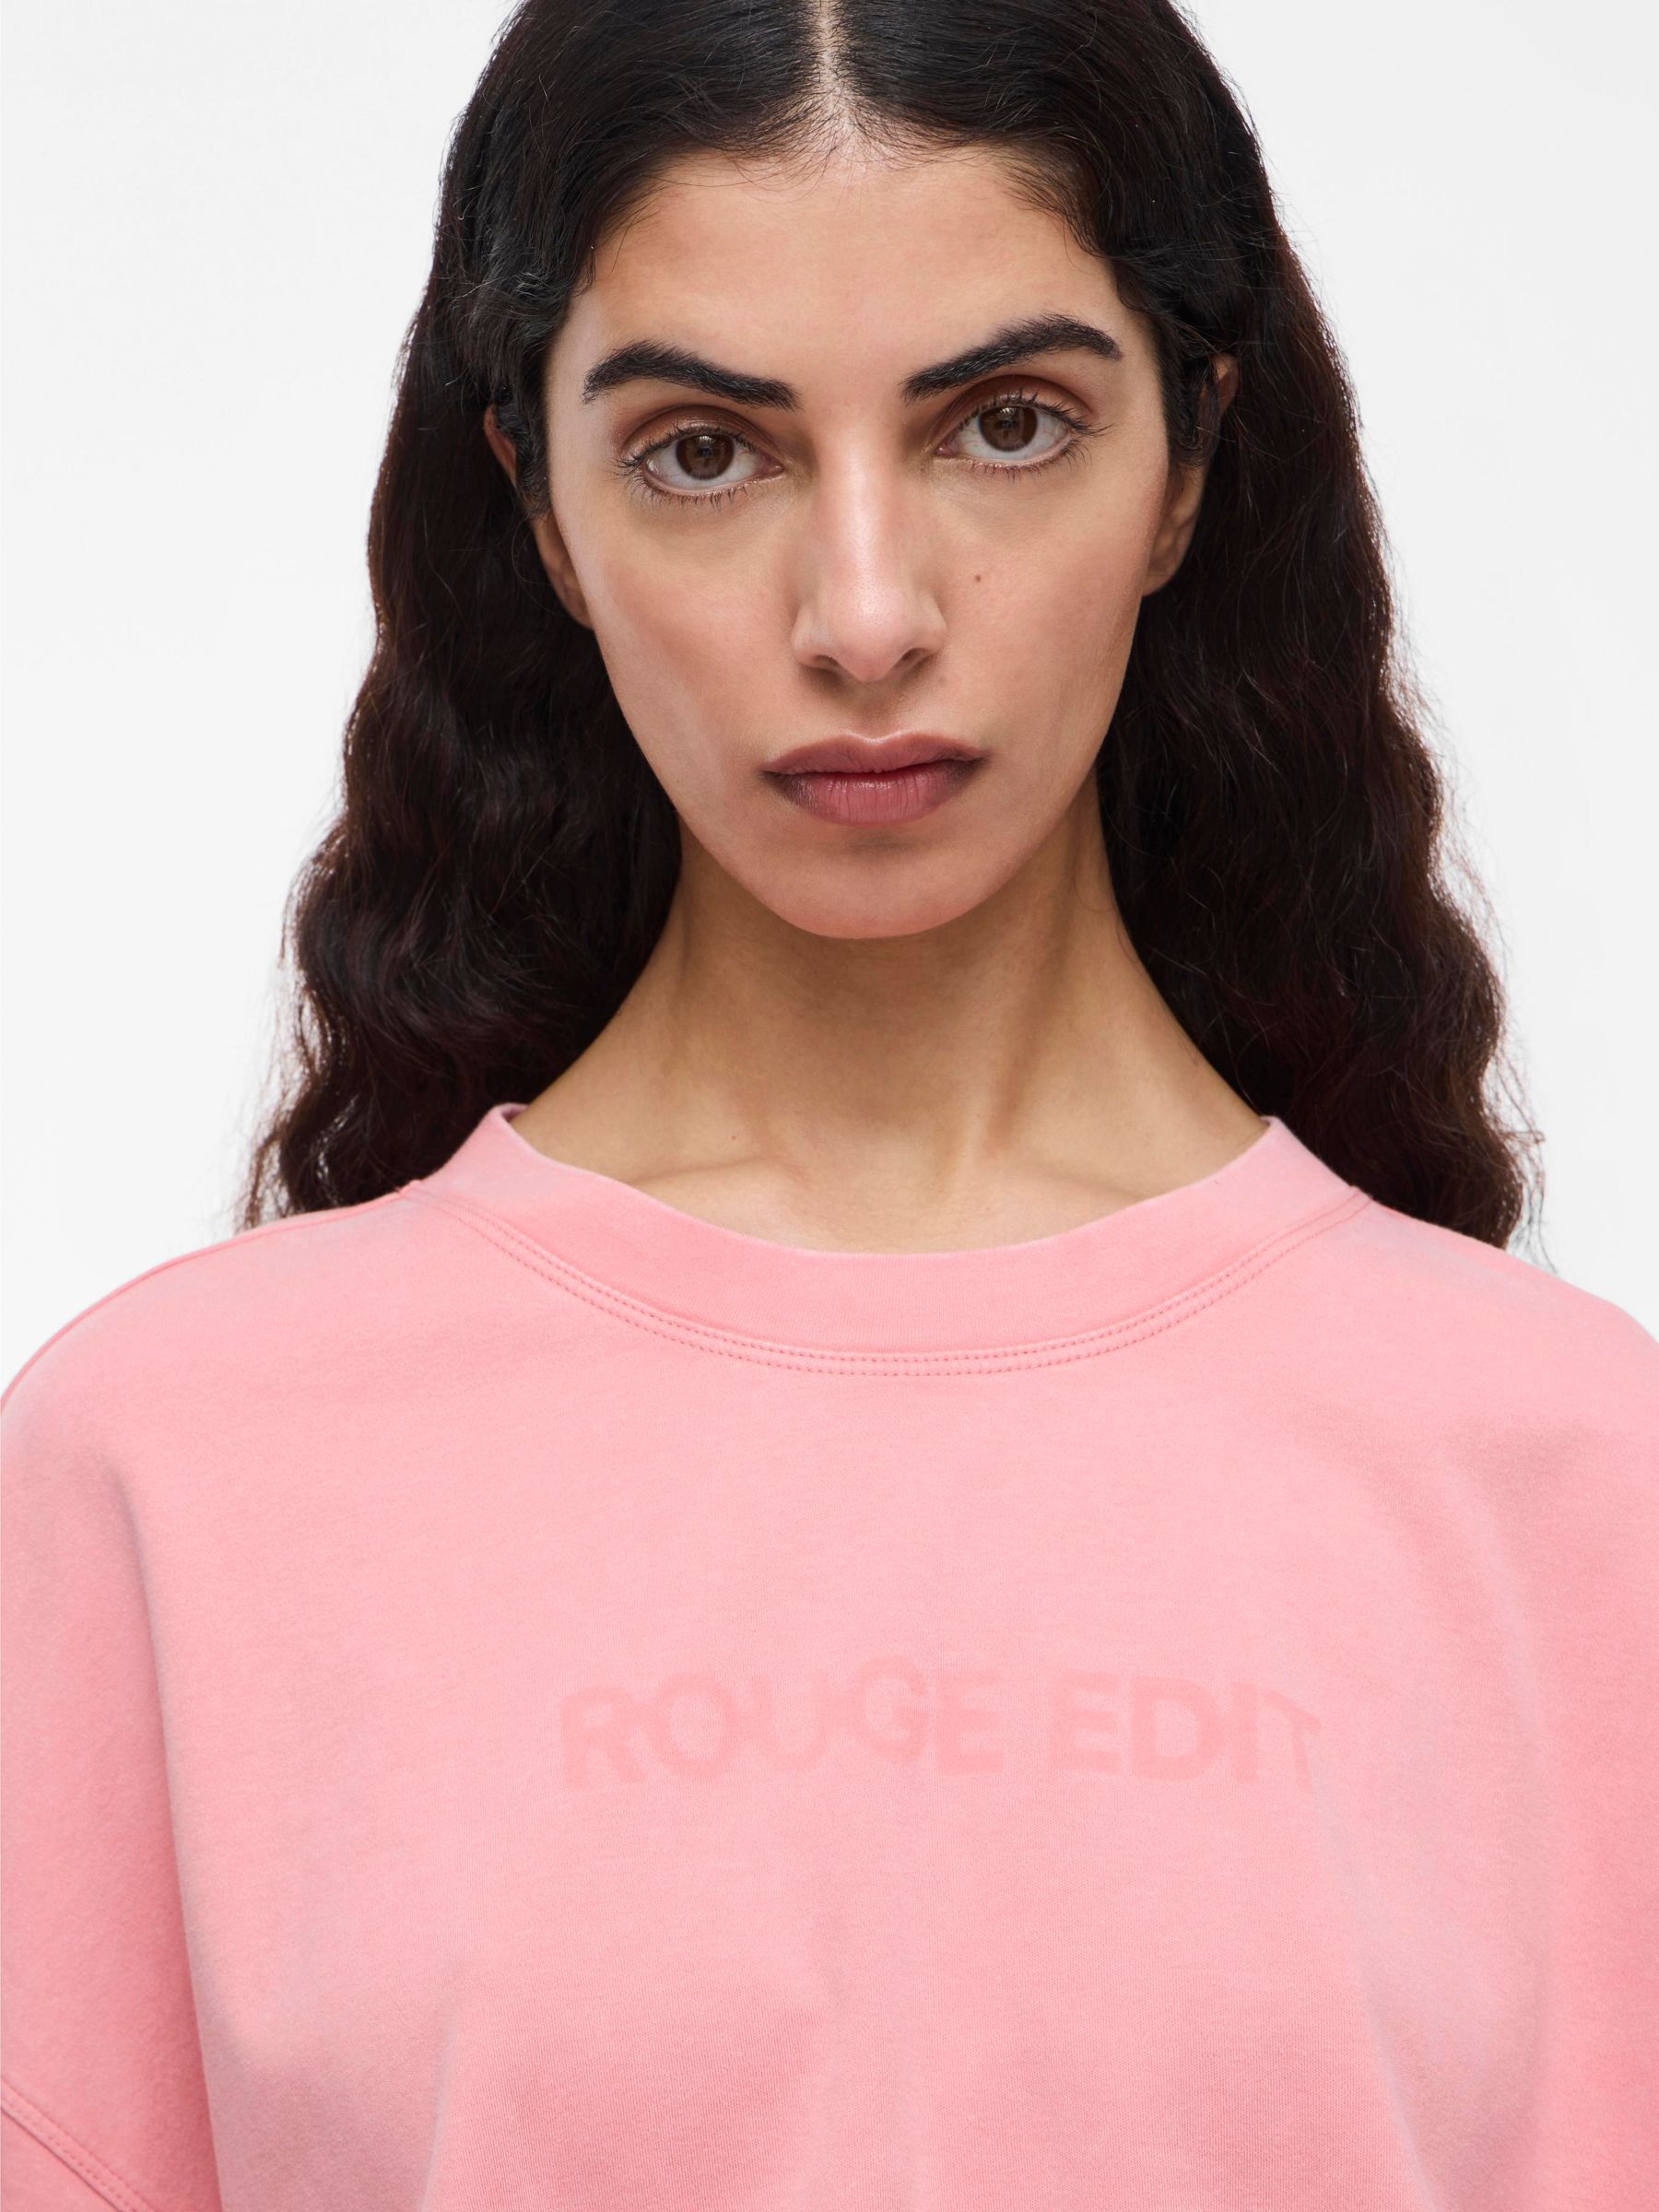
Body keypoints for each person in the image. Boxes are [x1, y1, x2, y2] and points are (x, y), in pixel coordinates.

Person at [4, 0, 1655, 2205]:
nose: (866, 618)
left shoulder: (1583, 1487)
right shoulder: (164, 1477)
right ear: (541, 507)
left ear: (1190, 459)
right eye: (706, 451)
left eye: (1007, 425)